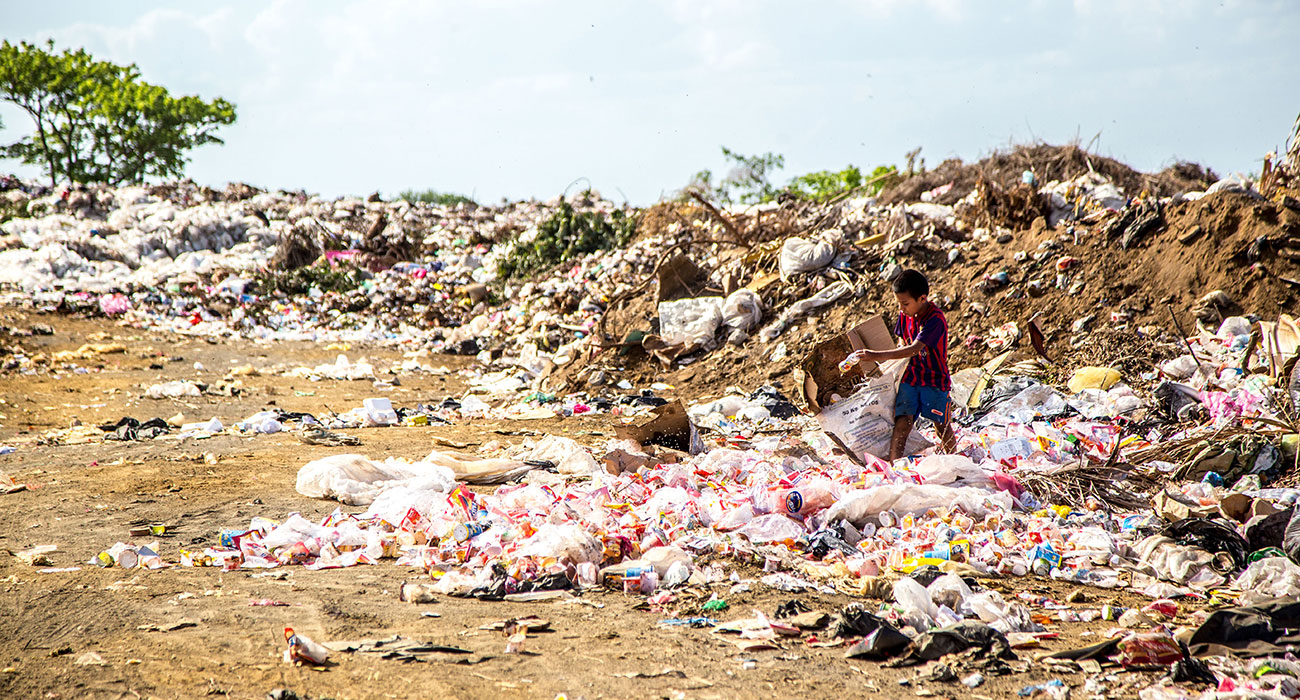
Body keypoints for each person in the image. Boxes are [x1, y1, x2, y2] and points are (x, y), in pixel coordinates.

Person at [856, 269, 956, 462]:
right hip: (910, 378)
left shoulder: (935, 320)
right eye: (899, 304)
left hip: (934, 379)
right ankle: (895, 467)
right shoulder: (905, 315)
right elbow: (902, 342)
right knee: (903, 423)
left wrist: (875, 356)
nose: (902, 309)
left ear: (922, 298)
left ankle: (955, 462)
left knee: (941, 424)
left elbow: (913, 349)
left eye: (905, 304)